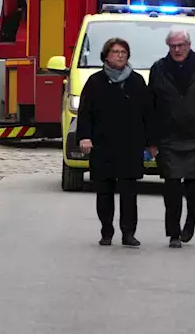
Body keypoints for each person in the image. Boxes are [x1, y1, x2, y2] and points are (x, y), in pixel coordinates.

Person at [76, 37, 156, 247]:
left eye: (123, 52)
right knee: (104, 191)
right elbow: (85, 113)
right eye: (115, 52)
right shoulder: (95, 82)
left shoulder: (137, 81)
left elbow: (148, 113)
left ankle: (128, 233)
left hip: (130, 145)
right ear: (106, 55)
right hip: (103, 145)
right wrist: (85, 136)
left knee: (129, 193)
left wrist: (151, 142)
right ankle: (106, 230)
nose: (120, 55)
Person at [147, 29, 195, 248]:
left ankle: (191, 221)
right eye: (172, 46)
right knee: (171, 184)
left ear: (188, 45)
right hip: (169, 137)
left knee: (193, 185)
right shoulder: (159, 69)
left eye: (180, 45)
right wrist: (151, 140)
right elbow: (150, 106)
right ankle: (173, 233)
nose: (177, 50)